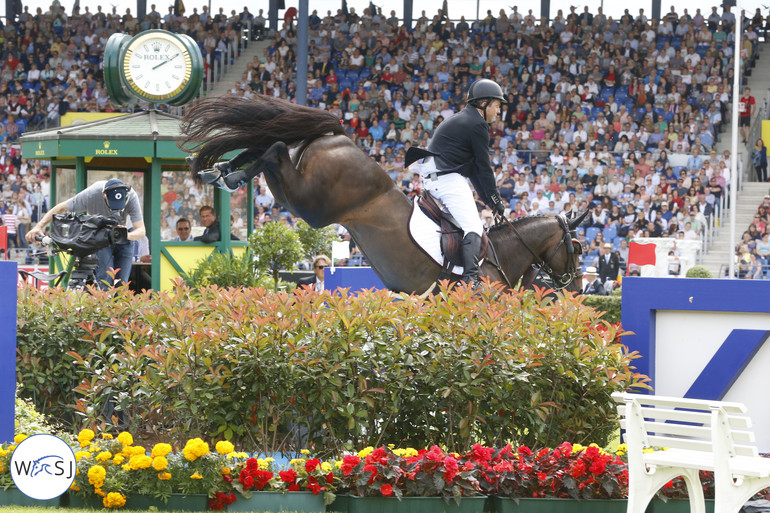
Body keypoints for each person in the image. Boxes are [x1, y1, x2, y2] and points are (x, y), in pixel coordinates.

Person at [411, 78, 507, 286]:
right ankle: (471, 279)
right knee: (473, 225)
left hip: (436, 176)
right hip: (446, 178)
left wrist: (492, 203)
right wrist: (496, 200)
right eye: (497, 106)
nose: (499, 111)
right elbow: (484, 168)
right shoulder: (477, 124)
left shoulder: (467, 119)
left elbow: (473, 170)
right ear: (484, 104)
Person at [25, 178, 145, 288]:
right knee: (104, 279)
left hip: (125, 236)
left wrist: (124, 235)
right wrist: (38, 226)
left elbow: (141, 230)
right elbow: (61, 208)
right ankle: (103, 308)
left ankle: (118, 309)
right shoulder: (92, 194)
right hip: (101, 236)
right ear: (103, 195)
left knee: (122, 283)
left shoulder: (131, 195)